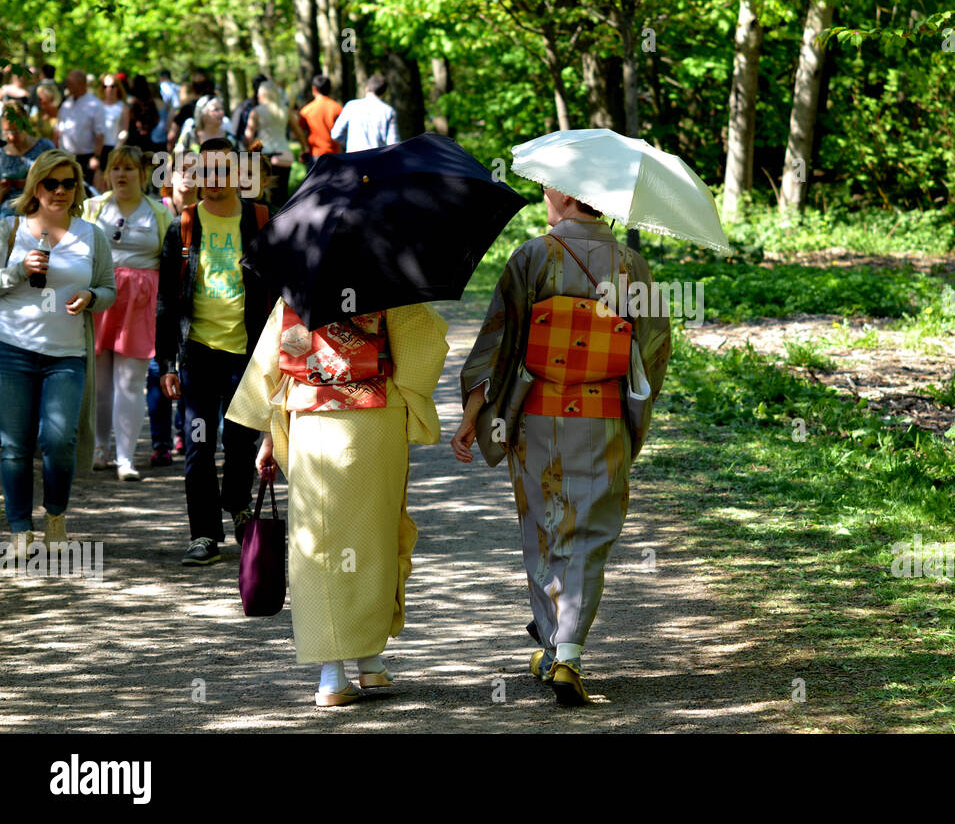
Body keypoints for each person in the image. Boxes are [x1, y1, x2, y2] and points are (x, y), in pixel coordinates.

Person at [452, 187, 672, 705]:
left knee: (544, 529)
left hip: (538, 417)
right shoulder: (632, 265)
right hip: (603, 416)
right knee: (590, 533)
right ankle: (566, 652)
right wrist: (633, 412)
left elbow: (497, 343)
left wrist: (472, 417)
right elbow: (654, 350)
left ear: (570, 196)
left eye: (549, 193)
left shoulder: (533, 256)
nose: (545, 202)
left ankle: (555, 649)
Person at [226, 296, 449, 707]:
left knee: (319, 543)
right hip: (375, 418)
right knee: (375, 535)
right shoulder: (386, 282)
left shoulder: (301, 284)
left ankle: (335, 674)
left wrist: (270, 436)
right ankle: (370, 660)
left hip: (312, 419)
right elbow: (422, 348)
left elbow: (274, 362)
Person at [155, 137, 271, 566]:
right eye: (205, 172)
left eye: (222, 172)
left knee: (240, 441)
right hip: (198, 353)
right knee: (199, 445)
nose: (213, 181)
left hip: (248, 353)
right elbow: (166, 301)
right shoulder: (184, 225)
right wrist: (166, 363)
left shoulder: (260, 221)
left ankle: (239, 509)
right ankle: (204, 533)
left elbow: (280, 288)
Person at [0, 150, 116, 558]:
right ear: (36, 186)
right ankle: (19, 531)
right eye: (52, 183)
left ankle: (55, 518)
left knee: (58, 440)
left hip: (67, 355)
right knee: (13, 446)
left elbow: (108, 290)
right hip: (11, 350)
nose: (61, 191)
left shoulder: (92, 234)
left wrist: (90, 295)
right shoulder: (9, 228)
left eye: (69, 183)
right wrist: (18, 270)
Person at [85, 145, 172, 480]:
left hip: (141, 303)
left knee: (131, 382)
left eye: (129, 169)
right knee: (100, 385)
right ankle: (99, 450)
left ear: (143, 174)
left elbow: (170, 259)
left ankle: (125, 459)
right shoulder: (93, 207)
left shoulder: (159, 211)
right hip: (100, 299)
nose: (121, 175)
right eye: (116, 168)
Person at [145, 159, 199, 466]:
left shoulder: (210, 212)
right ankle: (161, 442)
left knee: (191, 373)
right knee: (159, 371)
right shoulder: (157, 211)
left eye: (196, 173)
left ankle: (184, 432)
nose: (188, 178)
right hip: (158, 302)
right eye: (183, 171)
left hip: (196, 307)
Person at [244, 81, 295, 208]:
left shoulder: (256, 111)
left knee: (264, 192)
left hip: (264, 154)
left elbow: (248, 136)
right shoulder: (285, 110)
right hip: (284, 153)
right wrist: (305, 147)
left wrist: (248, 154)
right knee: (282, 192)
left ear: (262, 95)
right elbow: (297, 131)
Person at [1, 100, 56, 218]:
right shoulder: (2, 154)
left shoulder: (44, 147)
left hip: (39, 209)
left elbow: (58, 179)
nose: (10, 137)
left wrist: (29, 183)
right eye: (6, 131)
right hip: (8, 213)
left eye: (15, 131)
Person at [56, 70, 105, 181]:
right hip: (65, 155)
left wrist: (96, 157)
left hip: (85, 157)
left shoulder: (95, 105)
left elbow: (100, 133)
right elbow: (58, 129)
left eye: (71, 84)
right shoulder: (66, 104)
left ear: (81, 84)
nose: (68, 87)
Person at [331, 74, 398, 153]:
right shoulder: (388, 111)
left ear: (367, 89)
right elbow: (393, 143)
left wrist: (350, 143)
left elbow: (335, 134)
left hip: (354, 158)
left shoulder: (351, 106)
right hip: (377, 159)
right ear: (384, 93)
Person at [299, 74, 342, 168]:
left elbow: (302, 133)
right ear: (330, 89)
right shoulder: (337, 108)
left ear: (314, 89)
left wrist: (303, 149)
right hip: (334, 154)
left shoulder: (306, 110)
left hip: (314, 154)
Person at [96, 75, 129, 187]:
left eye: (112, 86)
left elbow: (124, 130)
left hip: (113, 147)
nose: (109, 89)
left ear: (118, 88)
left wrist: (119, 145)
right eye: (105, 86)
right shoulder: (97, 105)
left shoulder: (122, 107)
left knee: (110, 180)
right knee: (97, 180)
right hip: (97, 147)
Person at [231, 73, 268, 152]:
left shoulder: (244, 106)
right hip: (247, 148)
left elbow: (234, 130)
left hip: (264, 149)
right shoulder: (244, 107)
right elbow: (235, 130)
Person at [125, 75, 161, 153]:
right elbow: (155, 118)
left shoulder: (132, 100)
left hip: (135, 135)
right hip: (145, 135)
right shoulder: (149, 100)